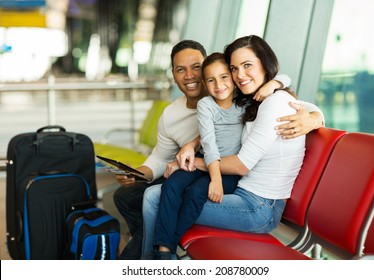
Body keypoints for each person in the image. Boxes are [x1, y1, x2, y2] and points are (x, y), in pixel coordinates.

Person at [114, 39, 323, 260]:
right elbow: (168, 151)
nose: (240, 74)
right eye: (235, 69)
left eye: (246, 66)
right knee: (141, 196)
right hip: (239, 189)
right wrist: (191, 146)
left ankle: (155, 260)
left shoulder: (263, 99)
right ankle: (156, 255)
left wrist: (315, 117)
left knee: (156, 199)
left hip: (257, 204)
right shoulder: (246, 98)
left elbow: (295, 107)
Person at [147, 52, 244, 260]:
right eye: (211, 80)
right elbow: (208, 143)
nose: (219, 85)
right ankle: (163, 251)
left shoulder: (245, 102)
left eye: (224, 77)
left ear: (234, 77)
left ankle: (169, 245)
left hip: (228, 170)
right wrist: (212, 175)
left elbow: (281, 83)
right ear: (205, 83)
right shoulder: (206, 105)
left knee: (196, 192)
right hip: (205, 158)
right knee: (171, 184)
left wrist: (217, 180)